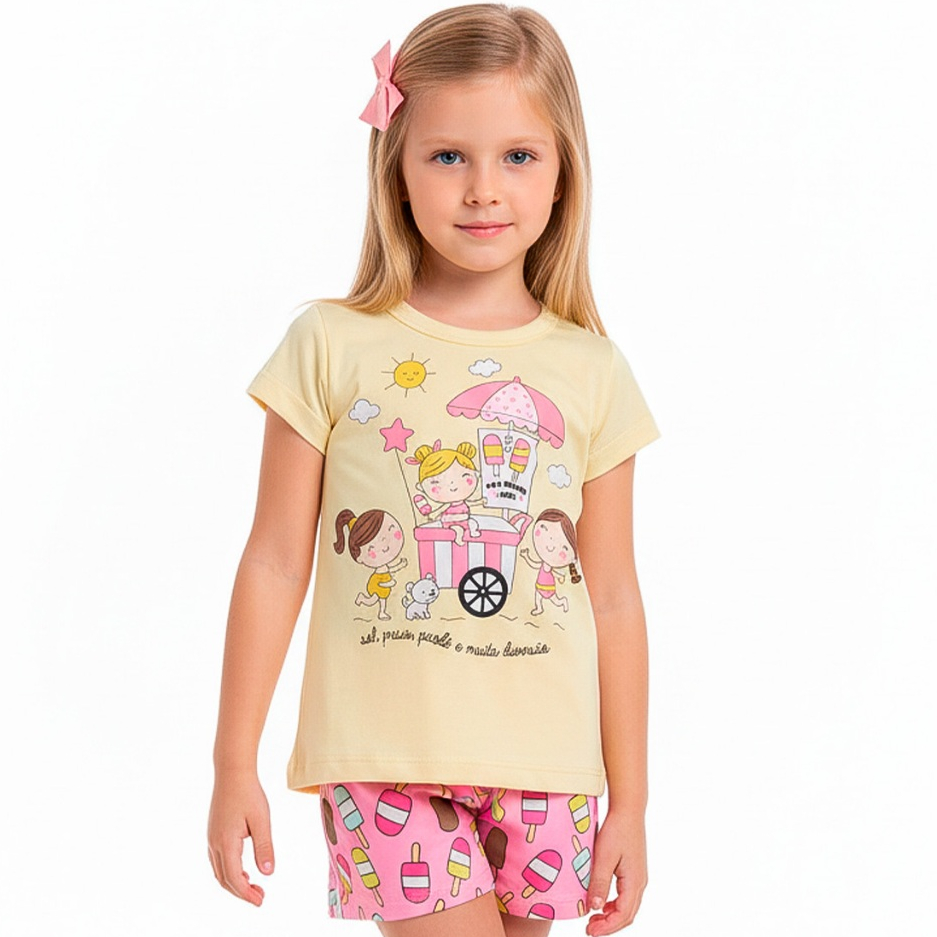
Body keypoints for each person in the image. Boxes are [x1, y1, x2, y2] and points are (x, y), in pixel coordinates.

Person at [207, 5, 661, 936]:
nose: (483, 190)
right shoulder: (330, 343)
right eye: (448, 155)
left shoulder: (592, 369)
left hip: (547, 765)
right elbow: (276, 561)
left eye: (518, 156)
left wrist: (631, 802)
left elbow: (612, 595)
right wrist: (231, 762)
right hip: (382, 760)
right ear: (397, 167)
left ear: (563, 170)